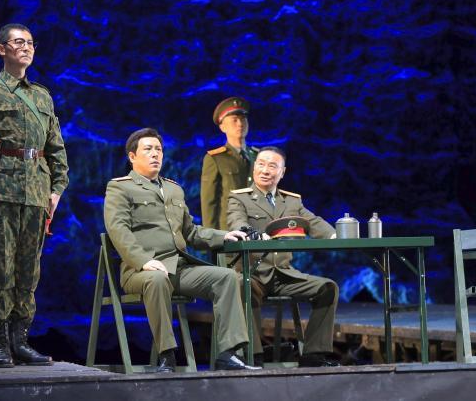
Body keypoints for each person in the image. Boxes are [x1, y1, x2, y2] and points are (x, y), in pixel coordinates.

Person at [0, 23, 69, 367]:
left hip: (36, 193)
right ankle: (1, 343)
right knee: (2, 267)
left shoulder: (42, 96)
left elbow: (56, 148)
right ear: (2, 49)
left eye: (30, 42)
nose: (26, 47)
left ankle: (21, 341)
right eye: (19, 42)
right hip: (0, 189)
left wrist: (56, 190)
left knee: (29, 270)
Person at [103, 128, 261, 372]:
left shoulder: (173, 189)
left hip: (177, 267)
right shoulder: (120, 188)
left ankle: (227, 353)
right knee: (157, 279)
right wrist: (143, 261)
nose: (155, 154)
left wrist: (223, 236)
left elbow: (190, 232)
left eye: (158, 149)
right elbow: (118, 230)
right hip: (139, 271)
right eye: (148, 149)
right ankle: (167, 355)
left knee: (227, 277)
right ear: (132, 156)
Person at [227, 146, 340, 367]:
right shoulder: (239, 198)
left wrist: (337, 235)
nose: (265, 170)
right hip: (254, 273)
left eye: (272, 166)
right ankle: (254, 355)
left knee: (328, 288)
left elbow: (313, 222)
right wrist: (252, 233)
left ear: (282, 172)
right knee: (241, 285)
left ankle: (313, 354)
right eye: (261, 164)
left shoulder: (291, 201)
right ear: (254, 167)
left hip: (284, 275)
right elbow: (237, 221)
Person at [201, 96, 259, 230]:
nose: (240, 124)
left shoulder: (259, 156)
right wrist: (212, 237)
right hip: (230, 232)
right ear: (222, 127)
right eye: (234, 120)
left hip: (258, 231)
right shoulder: (215, 159)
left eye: (243, 119)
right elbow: (209, 203)